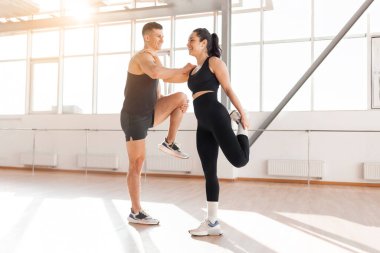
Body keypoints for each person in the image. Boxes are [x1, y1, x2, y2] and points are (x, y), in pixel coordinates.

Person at [120, 22, 194, 225]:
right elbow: (155, 73)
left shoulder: (154, 59)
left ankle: (169, 142)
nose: (162, 39)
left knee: (181, 97)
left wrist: (192, 73)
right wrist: (182, 69)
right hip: (134, 116)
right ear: (147, 37)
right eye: (158, 36)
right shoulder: (142, 57)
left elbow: (166, 83)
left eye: (163, 36)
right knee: (136, 164)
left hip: (150, 112)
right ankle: (136, 212)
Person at [186, 28, 250, 236]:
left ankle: (239, 126)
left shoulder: (214, 62)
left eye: (192, 40)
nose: (188, 43)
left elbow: (228, 89)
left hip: (216, 116)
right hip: (202, 123)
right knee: (209, 172)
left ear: (204, 43)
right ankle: (212, 222)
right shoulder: (192, 70)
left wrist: (243, 114)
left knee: (239, 161)